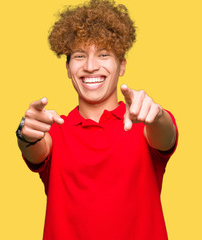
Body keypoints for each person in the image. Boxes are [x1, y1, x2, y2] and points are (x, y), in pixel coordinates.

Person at [15, 0, 178, 239]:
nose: (91, 66)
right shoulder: (54, 131)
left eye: (103, 54)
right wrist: (25, 134)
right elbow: (34, 149)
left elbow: (166, 135)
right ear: (69, 69)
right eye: (80, 56)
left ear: (121, 65)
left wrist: (158, 116)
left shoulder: (145, 121)